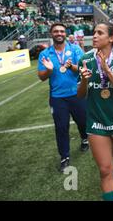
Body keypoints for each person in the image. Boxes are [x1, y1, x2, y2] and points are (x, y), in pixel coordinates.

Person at [77, 22, 113, 201]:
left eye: (99, 33)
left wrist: (108, 71)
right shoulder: (85, 59)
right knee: (104, 169)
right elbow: (80, 95)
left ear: (111, 38)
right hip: (96, 122)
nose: (94, 36)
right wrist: (84, 81)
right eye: (94, 32)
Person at [37, 22, 88, 172]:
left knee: (83, 120)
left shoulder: (75, 49)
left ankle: (85, 138)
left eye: (62, 31)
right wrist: (49, 70)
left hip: (77, 93)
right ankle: (64, 156)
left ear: (65, 34)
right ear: (51, 34)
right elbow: (41, 77)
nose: (59, 33)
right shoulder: (45, 54)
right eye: (56, 31)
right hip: (57, 97)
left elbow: (82, 69)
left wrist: (71, 66)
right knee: (61, 127)